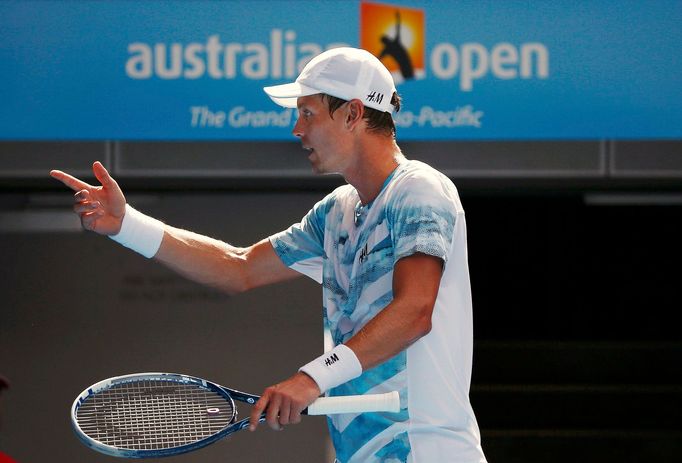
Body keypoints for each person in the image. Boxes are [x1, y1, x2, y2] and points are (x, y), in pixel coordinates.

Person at [50, 47, 486, 463]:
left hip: (428, 451)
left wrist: (312, 378)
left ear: (352, 113)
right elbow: (237, 268)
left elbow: (415, 310)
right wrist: (126, 225)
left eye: (307, 113)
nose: (297, 129)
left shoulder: (419, 190)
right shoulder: (336, 213)